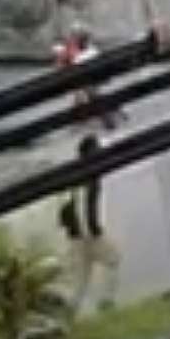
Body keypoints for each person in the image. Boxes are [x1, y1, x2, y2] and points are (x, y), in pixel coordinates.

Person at [59, 134, 119, 312]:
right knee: (113, 260)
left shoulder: (77, 172)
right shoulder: (89, 176)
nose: (100, 152)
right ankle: (105, 303)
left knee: (80, 280)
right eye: (96, 149)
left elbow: (67, 203)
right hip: (86, 235)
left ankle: (69, 313)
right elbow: (81, 205)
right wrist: (92, 232)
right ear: (88, 153)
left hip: (76, 235)